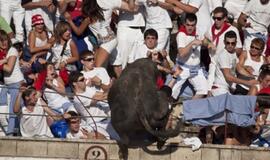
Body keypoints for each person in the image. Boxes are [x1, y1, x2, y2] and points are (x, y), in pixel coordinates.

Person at [69, 71, 118, 140]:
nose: (85, 81)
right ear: (74, 83)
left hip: (106, 120)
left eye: (84, 79)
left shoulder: (88, 90)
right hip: (95, 123)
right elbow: (102, 97)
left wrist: (111, 87)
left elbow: (102, 94)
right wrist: (113, 87)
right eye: (82, 80)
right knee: (104, 139)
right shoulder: (78, 99)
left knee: (122, 138)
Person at [205, 7, 243, 93]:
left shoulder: (233, 30)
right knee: (209, 90)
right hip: (214, 64)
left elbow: (239, 49)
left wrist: (227, 52)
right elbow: (204, 39)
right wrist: (208, 43)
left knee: (230, 89)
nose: (216, 21)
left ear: (225, 18)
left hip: (228, 65)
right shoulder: (211, 29)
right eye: (214, 18)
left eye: (219, 18)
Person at [171, 13, 208, 99]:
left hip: (196, 69)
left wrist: (206, 43)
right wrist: (192, 43)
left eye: (192, 25)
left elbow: (206, 41)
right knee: (172, 92)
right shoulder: (181, 35)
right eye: (188, 25)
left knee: (204, 90)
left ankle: (189, 109)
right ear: (184, 24)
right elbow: (182, 53)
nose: (190, 27)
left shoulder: (198, 32)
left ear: (195, 24)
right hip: (182, 68)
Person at [211, 31, 258, 96]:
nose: (230, 45)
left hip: (226, 89)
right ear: (224, 42)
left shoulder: (233, 53)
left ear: (236, 43)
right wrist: (247, 83)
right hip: (220, 89)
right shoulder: (223, 55)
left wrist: (247, 69)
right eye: (228, 43)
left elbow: (237, 67)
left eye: (232, 43)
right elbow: (228, 77)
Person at [0, 30, 24, 136]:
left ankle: (11, 134)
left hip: (16, 83)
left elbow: (9, 69)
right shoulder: (3, 53)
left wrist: (2, 63)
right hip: (7, 84)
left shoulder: (12, 50)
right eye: (1, 40)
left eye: (5, 39)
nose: (4, 42)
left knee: (13, 111)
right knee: (2, 108)